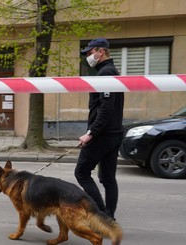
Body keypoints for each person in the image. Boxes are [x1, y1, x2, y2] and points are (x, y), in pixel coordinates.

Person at [75, 38, 124, 220]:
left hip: (103, 135)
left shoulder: (106, 73)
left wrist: (91, 133)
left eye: (89, 52)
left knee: (81, 172)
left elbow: (106, 107)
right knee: (108, 178)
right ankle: (109, 216)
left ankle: (101, 214)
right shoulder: (111, 72)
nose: (88, 56)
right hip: (115, 133)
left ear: (100, 51)